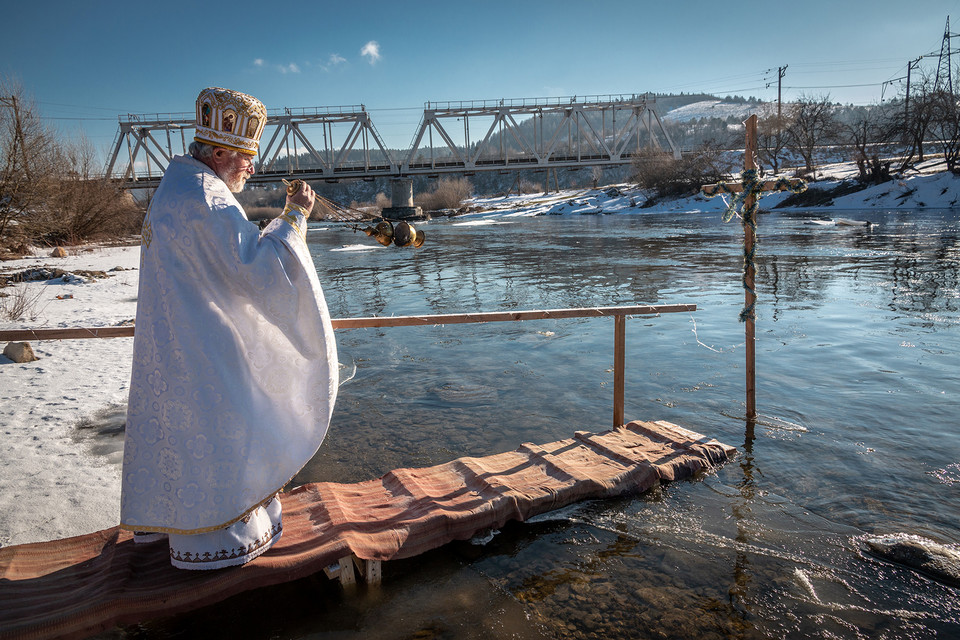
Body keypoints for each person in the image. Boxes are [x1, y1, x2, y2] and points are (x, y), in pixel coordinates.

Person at [119, 87, 338, 570]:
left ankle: (175, 526)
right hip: (205, 346)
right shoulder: (206, 198)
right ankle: (224, 541)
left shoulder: (175, 189)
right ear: (218, 152)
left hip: (179, 340)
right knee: (230, 425)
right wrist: (295, 216)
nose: (252, 168)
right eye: (245, 157)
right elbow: (258, 273)